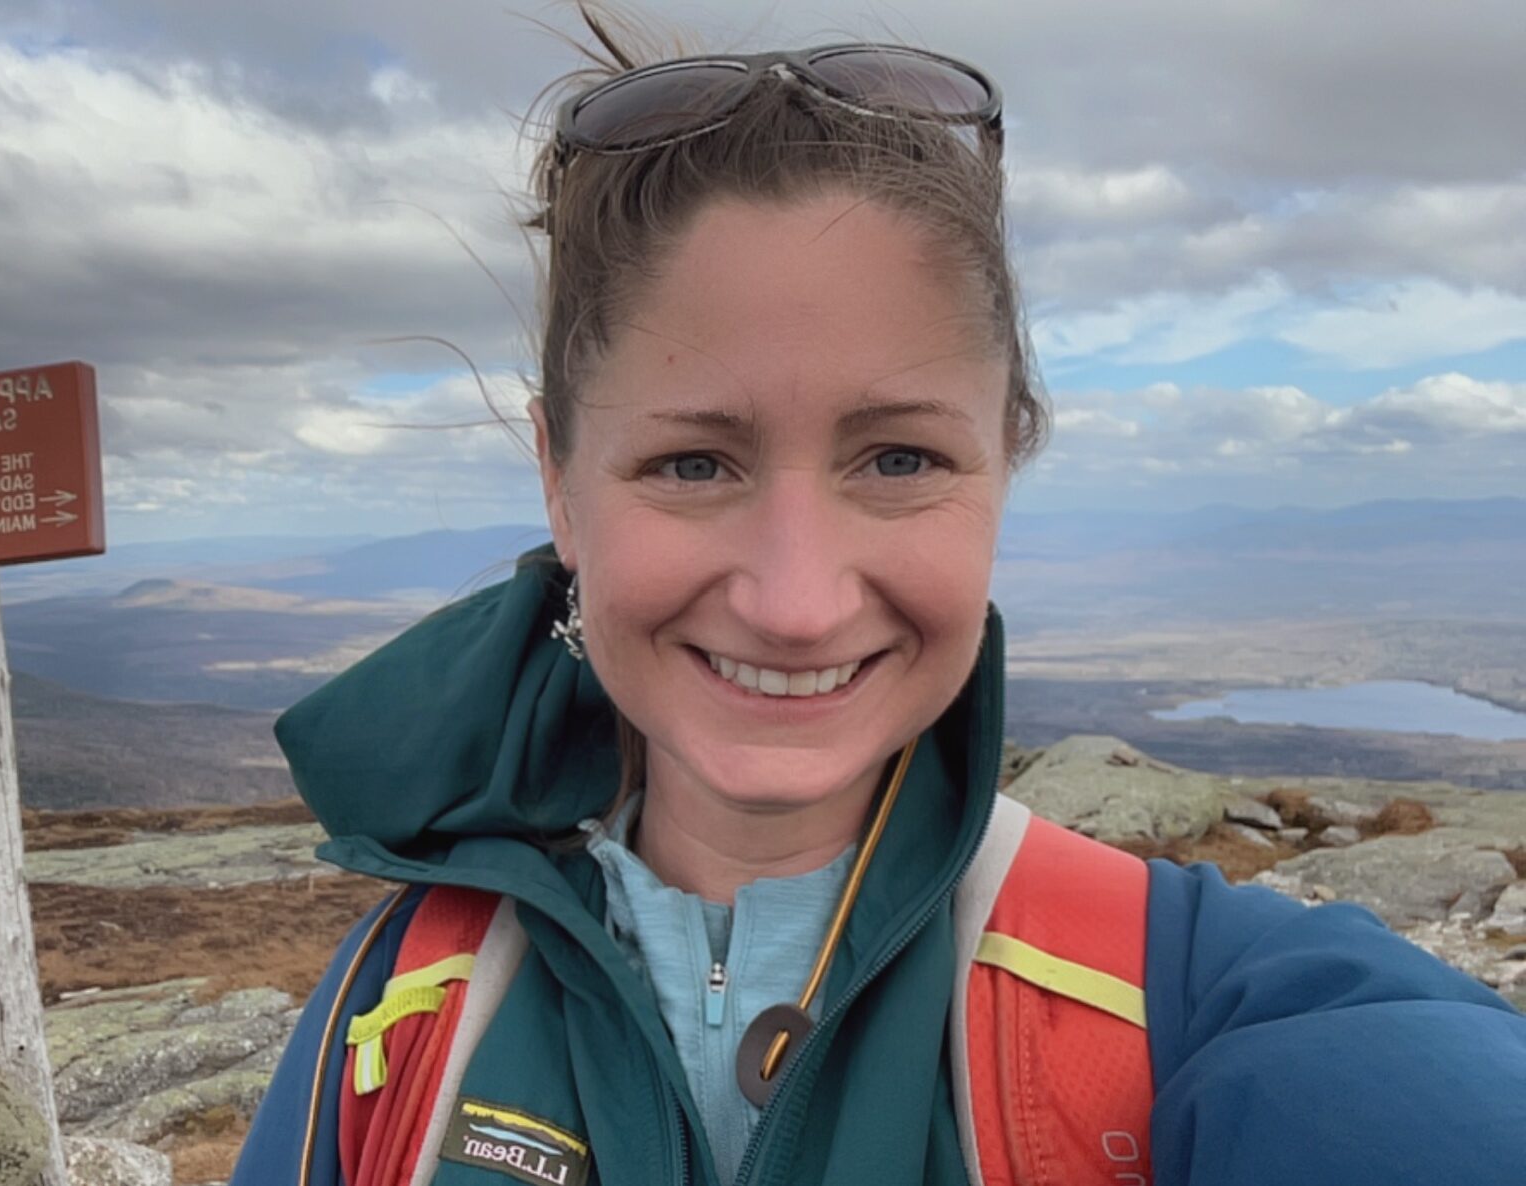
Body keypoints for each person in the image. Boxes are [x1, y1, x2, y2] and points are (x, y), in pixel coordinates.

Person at [232, 6, 1526, 1184]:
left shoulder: (1189, 996)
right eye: (694, 461)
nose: (796, 601)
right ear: (561, 487)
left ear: (1002, 462)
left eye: (898, 457)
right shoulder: (394, 1018)